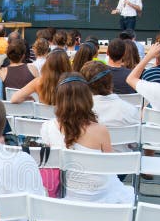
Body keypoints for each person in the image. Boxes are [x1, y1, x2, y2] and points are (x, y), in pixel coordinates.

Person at [39, 74, 134, 204]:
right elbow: (110, 167)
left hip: (66, 193)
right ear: (88, 98)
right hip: (99, 194)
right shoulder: (100, 130)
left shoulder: (47, 127)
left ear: (59, 99)